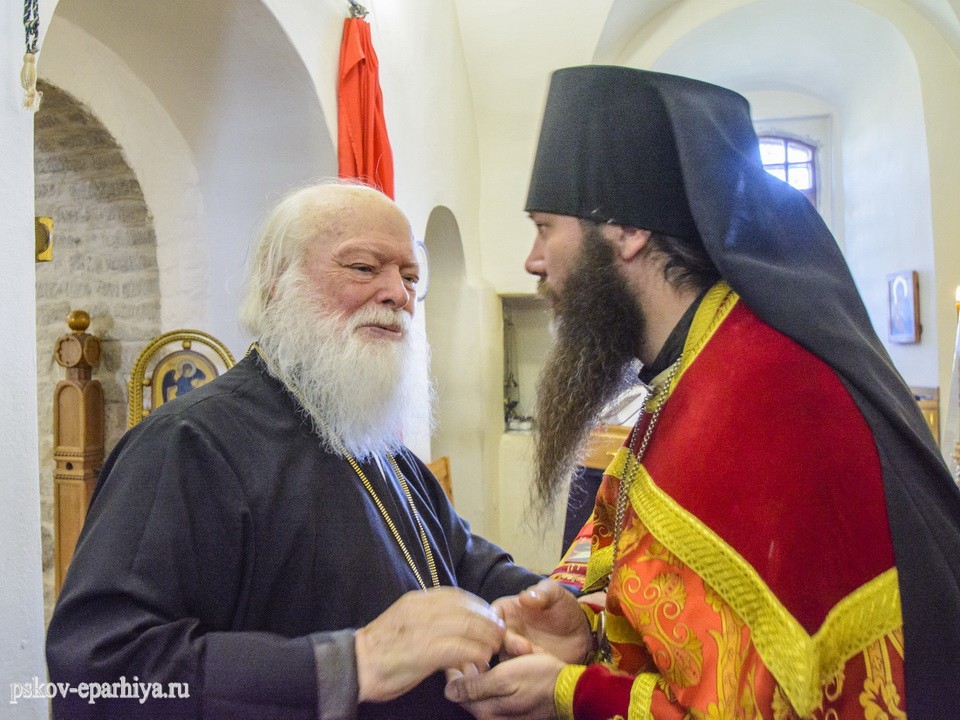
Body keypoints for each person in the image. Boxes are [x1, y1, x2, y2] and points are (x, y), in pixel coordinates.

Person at [444, 66, 960, 719]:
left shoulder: (761, 395)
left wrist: (568, 689)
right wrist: (591, 629)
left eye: (545, 226)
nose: (533, 259)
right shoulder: (697, 367)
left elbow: (754, 705)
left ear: (626, 231)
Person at [46, 182, 541, 719]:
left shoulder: (377, 443)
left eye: (410, 277)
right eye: (363, 268)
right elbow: (99, 668)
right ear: (276, 281)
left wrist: (541, 606)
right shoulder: (185, 444)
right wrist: (352, 662)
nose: (398, 294)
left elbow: (460, 561)